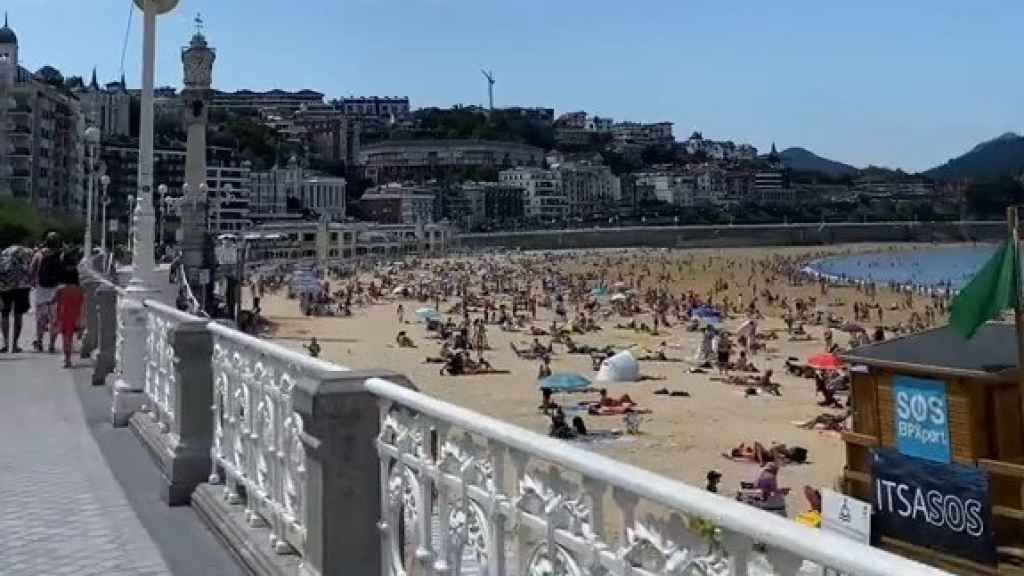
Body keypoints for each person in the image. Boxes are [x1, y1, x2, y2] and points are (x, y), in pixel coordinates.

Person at [30, 233, 64, 353]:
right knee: (54, 320)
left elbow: (32, 271)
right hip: (54, 291)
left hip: (40, 291)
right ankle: (51, 345)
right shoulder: (60, 255)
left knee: (40, 320)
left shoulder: (38, 255)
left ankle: (39, 343)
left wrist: (33, 283)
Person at [0, 244, 32, 353]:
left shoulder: (4, 252)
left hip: (5, 286)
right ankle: (14, 345)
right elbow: (28, 270)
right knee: (18, 315)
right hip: (21, 287)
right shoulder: (25, 252)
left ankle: (5, 343)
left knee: (4, 314)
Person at [55, 260, 83, 368]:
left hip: (63, 315)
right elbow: (83, 303)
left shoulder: (61, 289)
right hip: (76, 315)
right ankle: (69, 358)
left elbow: (55, 301)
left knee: (66, 338)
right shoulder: (80, 290)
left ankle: (67, 360)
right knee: (72, 338)